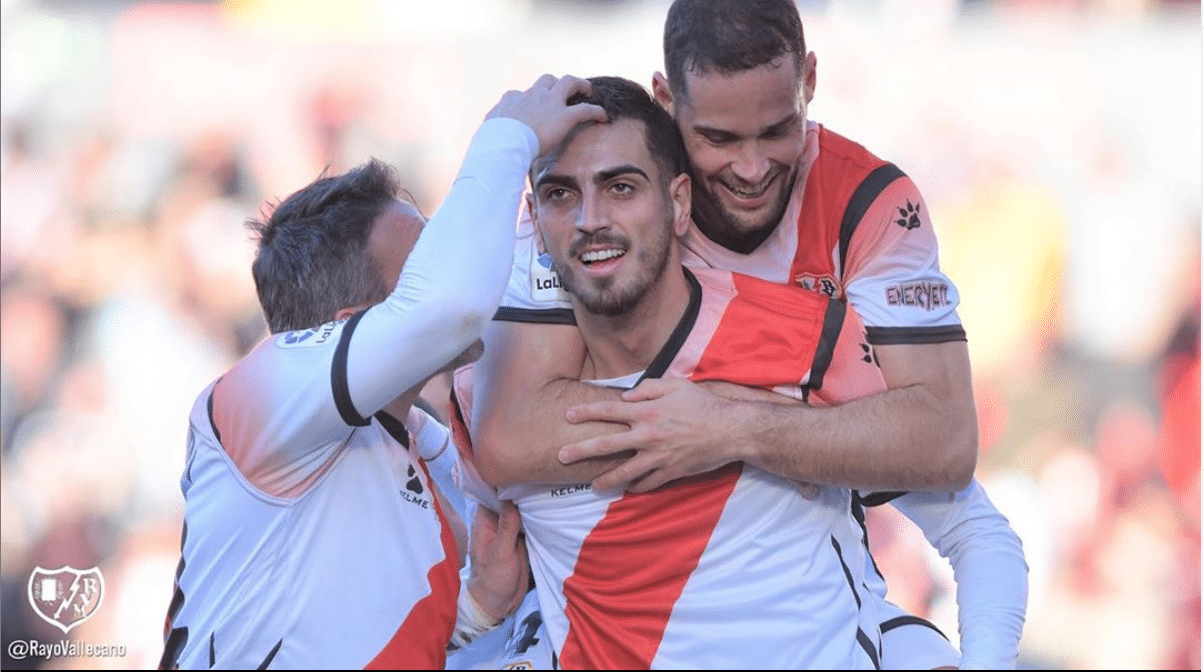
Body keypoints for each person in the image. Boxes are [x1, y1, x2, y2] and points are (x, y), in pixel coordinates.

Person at [468, 1, 1026, 669]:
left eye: (778, 130)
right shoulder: (578, 206)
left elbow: (944, 447)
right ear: (667, 100)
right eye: (720, 139)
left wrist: (733, 429)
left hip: (821, 602)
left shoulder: (860, 221)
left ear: (809, 83)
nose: (754, 168)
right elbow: (506, 438)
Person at [157, 75, 607, 670]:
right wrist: (509, 137)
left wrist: (475, 607)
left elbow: (341, 635)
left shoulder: (427, 445)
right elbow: (449, 307)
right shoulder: (260, 393)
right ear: (348, 326)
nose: (452, 269)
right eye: (422, 267)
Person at [451, 75, 885, 670]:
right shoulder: (485, 387)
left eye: (621, 187)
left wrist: (738, 428)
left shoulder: (809, 340)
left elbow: (952, 494)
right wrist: (478, 612)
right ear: (534, 222)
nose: (590, 220)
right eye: (559, 195)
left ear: (679, 203)